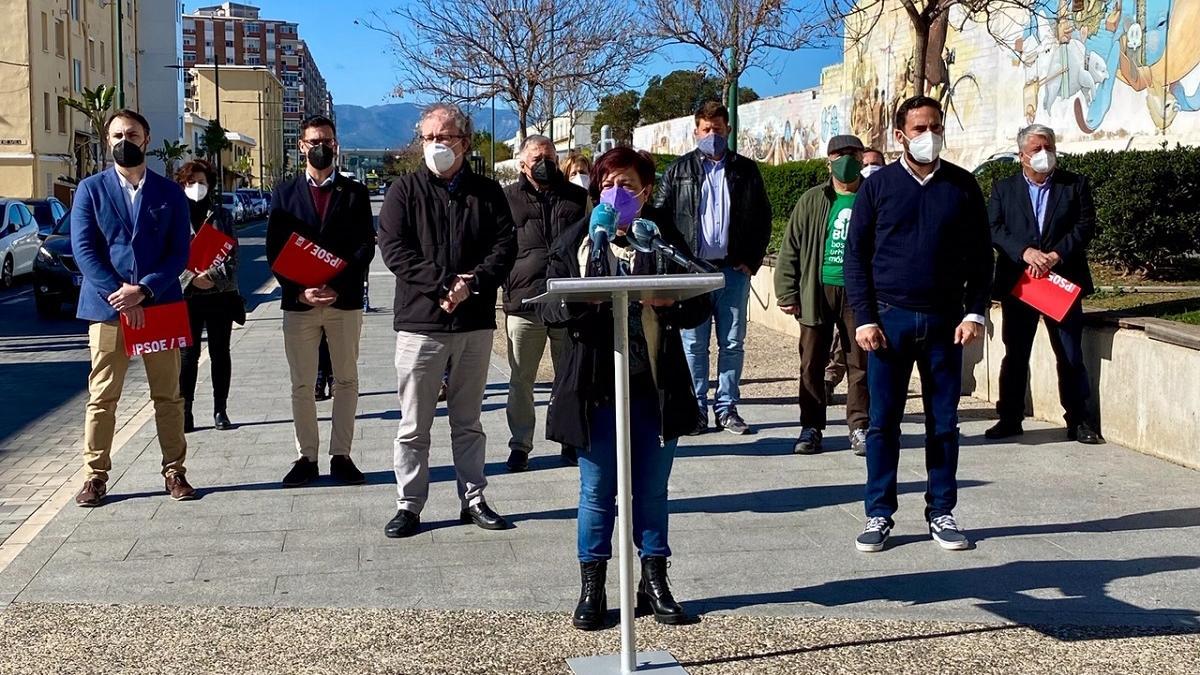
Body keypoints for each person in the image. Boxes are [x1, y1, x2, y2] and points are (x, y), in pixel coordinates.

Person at [540, 146, 709, 630]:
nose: (618, 194)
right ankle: (593, 585)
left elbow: (699, 303)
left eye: (628, 186)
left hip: (654, 386)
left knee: (652, 491)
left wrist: (669, 303)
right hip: (595, 387)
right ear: (596, 189)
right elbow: (546, 305)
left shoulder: (662, 237)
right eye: (609, 184)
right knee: (597, 491)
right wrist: (581, 299)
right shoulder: (576, 239)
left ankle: (653, 581)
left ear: (647, 192)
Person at [844, 96, 993, 553]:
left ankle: (942, 511)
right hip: (888, 322)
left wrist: (974, 312)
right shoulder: (878, 187)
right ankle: (878, 513)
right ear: (900, 135)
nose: (929, 135)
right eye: (919, 128)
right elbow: (856, 258)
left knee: (943, 423)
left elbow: (981, 256)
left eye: (935, 126)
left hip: (946, 323)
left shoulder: (963, 186)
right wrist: (864, 318)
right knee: (883, 424)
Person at [378, 103, 517, 539]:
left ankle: (473, 497)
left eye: (445, 137)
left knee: (468, 420)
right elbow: (395, 250)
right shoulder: (404, 190)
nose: (436, 145)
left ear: (465, 142)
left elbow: (504, 247)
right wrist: (443, 285)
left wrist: (471, 284)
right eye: (428, 138)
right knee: (414, 425)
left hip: (473, 323)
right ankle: (409, 504)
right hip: (422, 324)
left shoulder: (488, 192)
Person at [70, 109, 195, 506]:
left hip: (159, 306)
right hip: (107, 309)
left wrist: (143, 291)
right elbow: (85, 250)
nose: (125, 139)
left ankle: (174, 472)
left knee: (168, 395)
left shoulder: (170, 192)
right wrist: (120, 295)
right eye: (118, 134)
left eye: (133, 133)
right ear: (108, 141)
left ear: (147, 139)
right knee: (103, 395)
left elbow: (180, 253)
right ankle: (95, 476)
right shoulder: (90, 190)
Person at [266, 114, 376, 487]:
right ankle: (306, 458)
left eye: (327, 140)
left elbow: (365, 246)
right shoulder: (283, 194)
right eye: (314, 141)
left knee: (346, 380)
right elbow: (275, 251)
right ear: (301, 146)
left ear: (336, 144)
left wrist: (338, 284)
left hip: (342, 302)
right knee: (301, 384)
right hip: (300, 304)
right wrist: (300, 290)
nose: (320, 147)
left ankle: (341, 456)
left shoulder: (355, 193)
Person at [654, 101, 771, 436]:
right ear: (696, 131)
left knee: (732, 342)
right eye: (706, 130)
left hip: (733, 272)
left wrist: (753, 258)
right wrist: (674, 268)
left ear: (728, 130)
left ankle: (727, 406)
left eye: (717, 129)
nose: (712, 135)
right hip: (694, 274)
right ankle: (697, 408)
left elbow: (763, 217)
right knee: (693, 343)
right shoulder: (679, 172)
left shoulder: (746, 171)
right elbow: (661, 221)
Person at [986, 124, 1102, 444]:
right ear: (1022, 155)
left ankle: (1079, 420)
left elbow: (1085, 225)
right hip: (1021, 284)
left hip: (1060, 281)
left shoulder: (1074, 185)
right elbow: (994, 228)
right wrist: (1024, 252)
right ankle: (1009, 417)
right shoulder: (1004, 188)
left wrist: (1055, 255)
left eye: (1048, 147)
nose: (1044, 154)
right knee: (1016, 354)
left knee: (1069, 353)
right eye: (1036, 149)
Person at [774, 135, 871, 457]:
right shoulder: (813, 199)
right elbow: (792, 246)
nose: (846, 160)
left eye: (852, 154)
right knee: (811, 363)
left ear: (862, 157)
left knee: (860, 362)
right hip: (816, 290)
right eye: (839, 154)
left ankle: (859, 427)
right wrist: (787, 289)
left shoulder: (872, 197)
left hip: (858, 292)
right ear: (828, 159)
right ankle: (811, 426)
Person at [502, 135, 588, 471]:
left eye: (551, 157)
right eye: (538, 156)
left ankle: (569, 438)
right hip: (524, 303)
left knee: (568, 375)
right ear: (522, 162)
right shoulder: (507, 198)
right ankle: (520, 445)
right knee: (521, 378)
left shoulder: (578, 198)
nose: (545, 162)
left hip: (566, 302)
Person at [176, 159, 242, 433]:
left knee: (220, 353)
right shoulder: (173, 217)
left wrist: (211, 278)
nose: (196, 188)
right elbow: (167, 257)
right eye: (191, 183)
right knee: (188, 356)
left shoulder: (221, 216)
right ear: (182, 185)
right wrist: (192, 279)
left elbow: (232, 255)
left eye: (201, 183)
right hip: (187, 298)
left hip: (219, 297)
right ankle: (186, 411)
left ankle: (220, 410)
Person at [825, 147, 886, 395]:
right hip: (841, 281)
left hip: (878, 286)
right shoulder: (827, 198)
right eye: (867, 163)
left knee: (862, 352)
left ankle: (863, 412)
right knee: (845, 340)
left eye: (876, 164)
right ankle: (829, 380)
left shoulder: (883, 198)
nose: (871, 168)